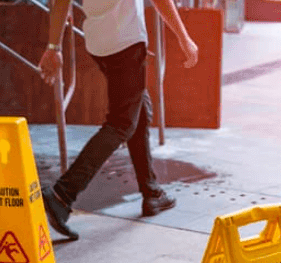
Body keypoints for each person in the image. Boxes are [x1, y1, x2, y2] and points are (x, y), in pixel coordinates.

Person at [39, 0, 199, 240]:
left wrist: (54, 46)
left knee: (138, 107)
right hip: (126, 41)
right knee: (121, 123)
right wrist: (184, 38)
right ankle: (63, 194)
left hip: (99, 42)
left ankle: (151, 192)